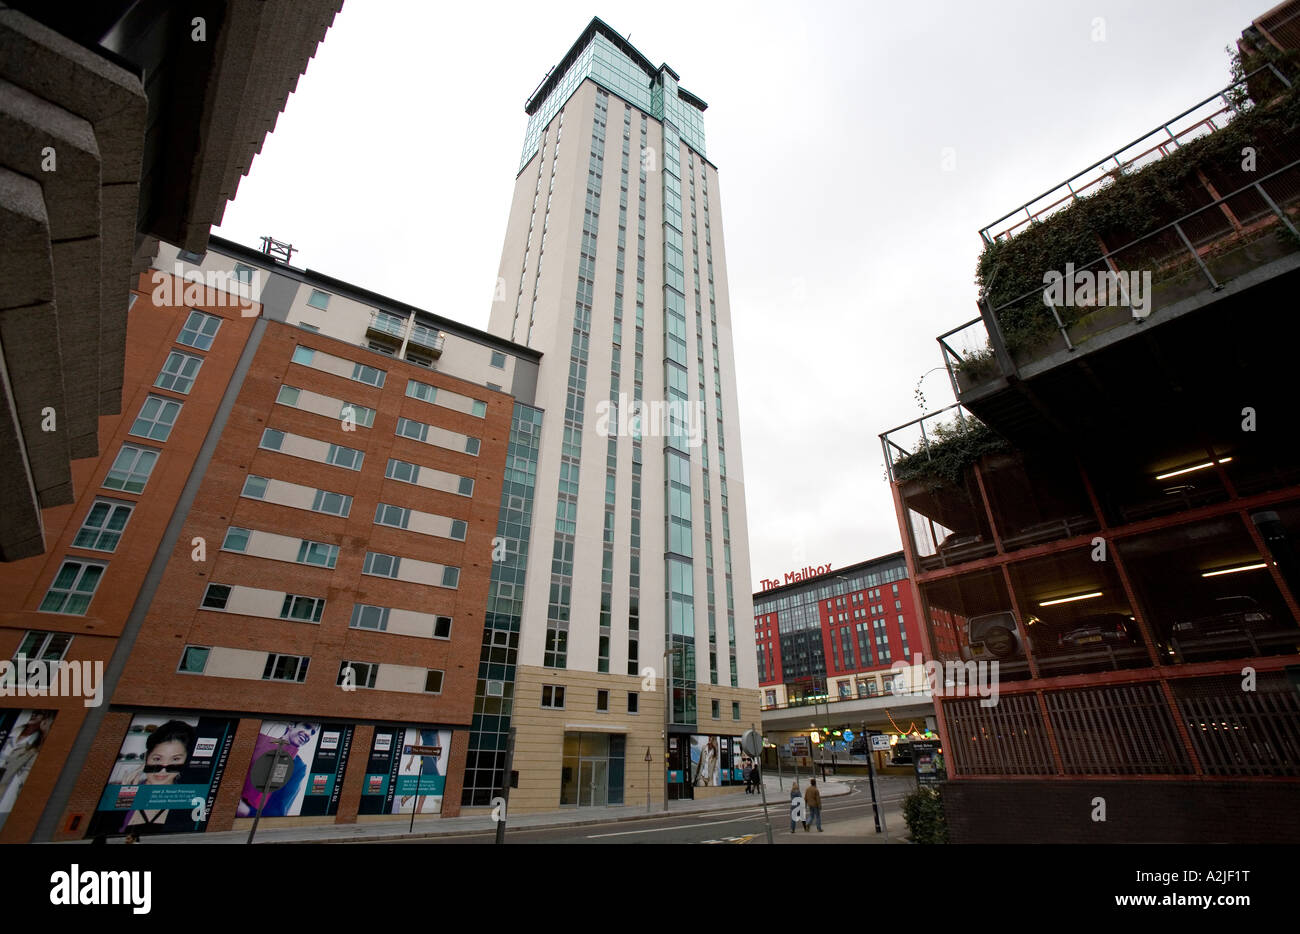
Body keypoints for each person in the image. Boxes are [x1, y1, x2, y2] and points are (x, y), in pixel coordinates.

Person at [119, 720, 195, 834]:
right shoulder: (127, 791)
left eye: (175, 760)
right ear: (147, 757)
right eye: (157, 759)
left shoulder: (185, 796)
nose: (163, 769)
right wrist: (126, 794)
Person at [238, 722, 319, 817]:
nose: (308, 734)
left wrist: (247, 812)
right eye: (307, 726)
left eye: (313, 732)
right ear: (291, 725)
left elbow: (279, 810)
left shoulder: (298, 767)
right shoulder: (259, 742)